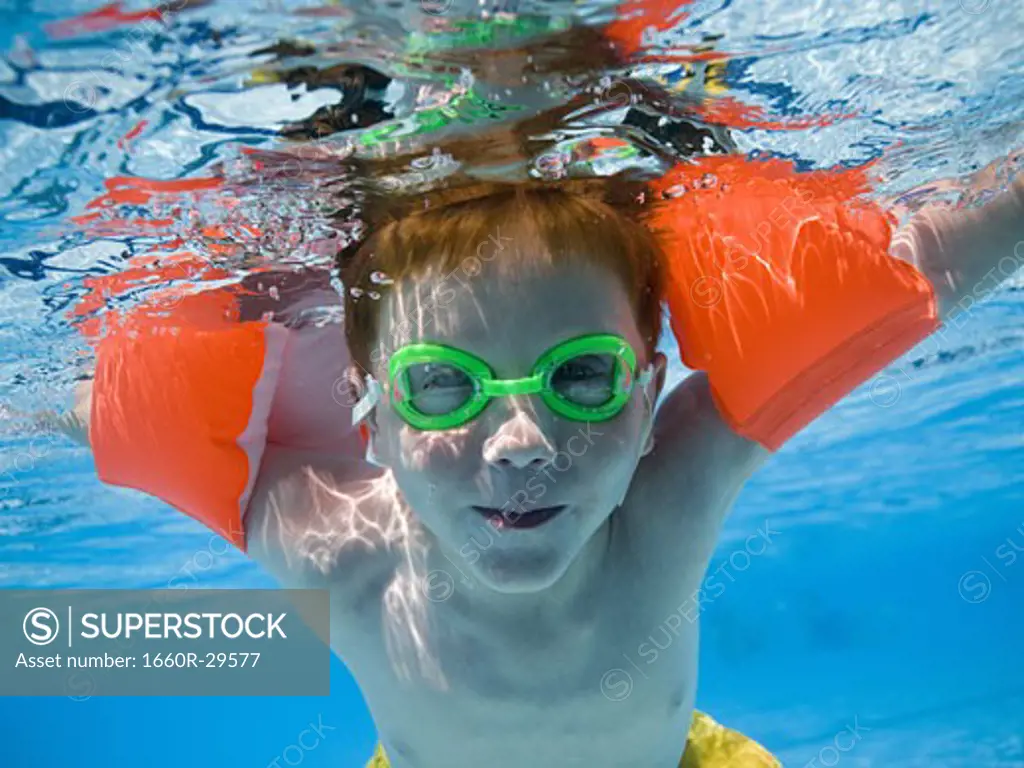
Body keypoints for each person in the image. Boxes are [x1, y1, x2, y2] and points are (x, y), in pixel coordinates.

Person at [57, 156, 1023, 765]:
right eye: (441, 383)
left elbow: (900, 290)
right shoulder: (341, 556)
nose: (522, 442)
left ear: (648, 399)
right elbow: (119, 423)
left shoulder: (667, 506)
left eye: (584, 377)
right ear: (372, 417)